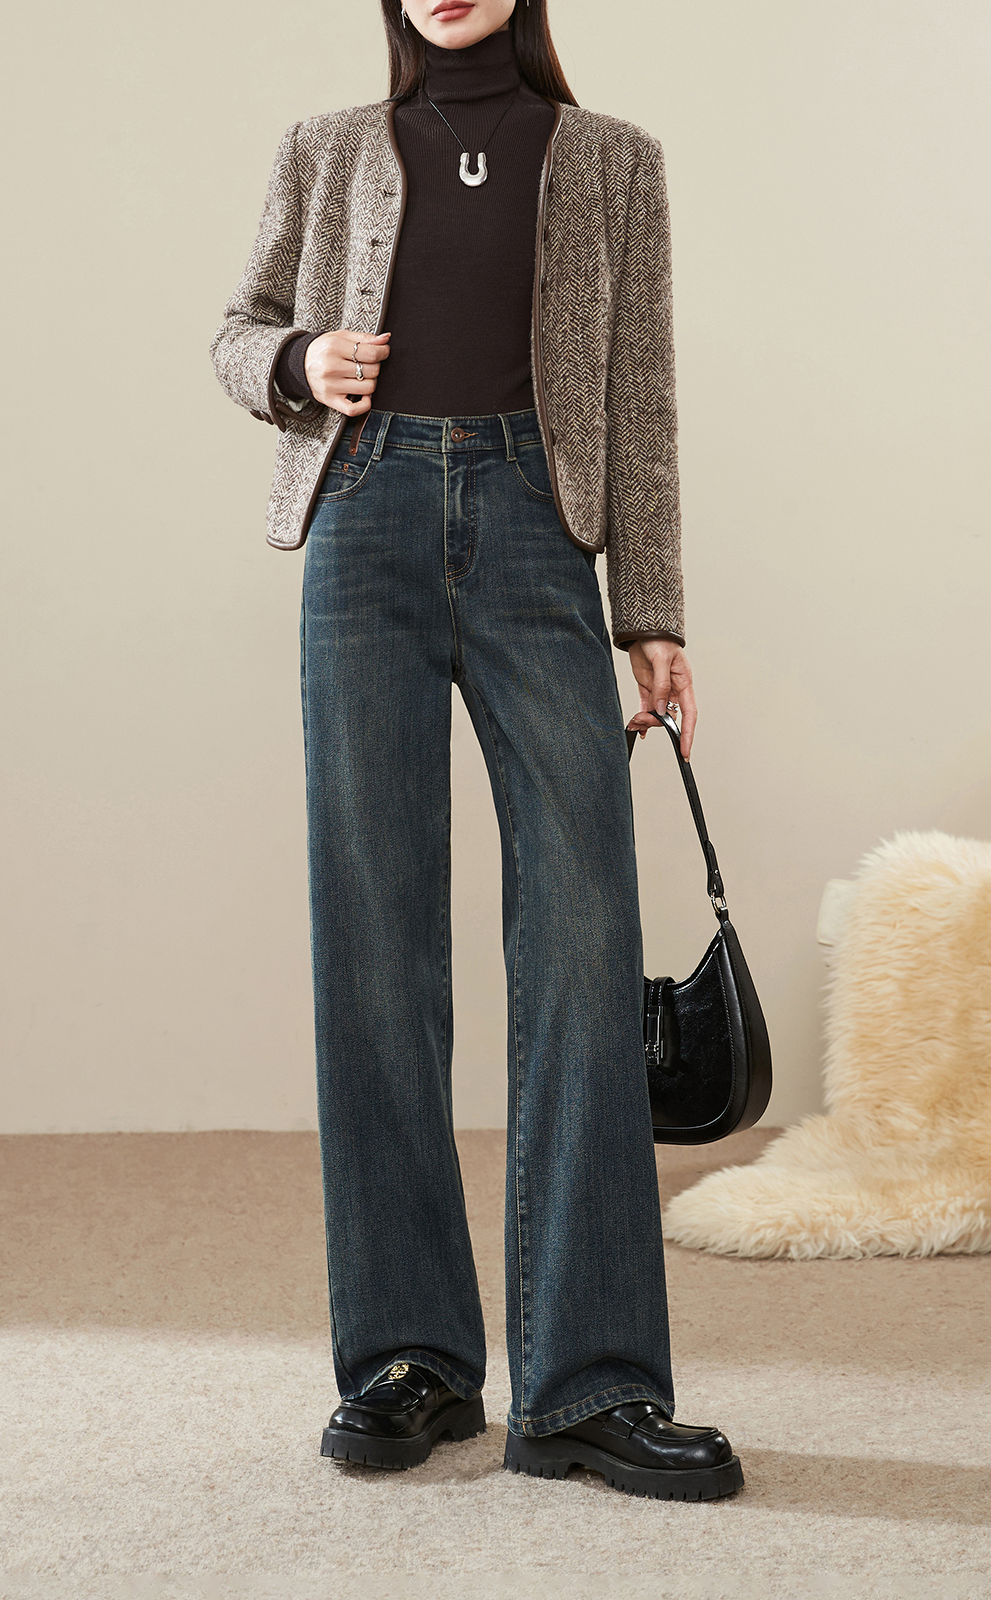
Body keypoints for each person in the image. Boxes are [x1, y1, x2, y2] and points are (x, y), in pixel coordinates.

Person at [210, 0, 742, 1503]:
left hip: (534, 531)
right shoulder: (325, 149)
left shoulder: (612, 160)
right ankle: (410, 1358)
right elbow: (236, 332)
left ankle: (591, 1384)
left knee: (582, 935)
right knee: (374, 939)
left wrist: (653, 610)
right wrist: (303, 361)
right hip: (362, 522)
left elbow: (639, 397)